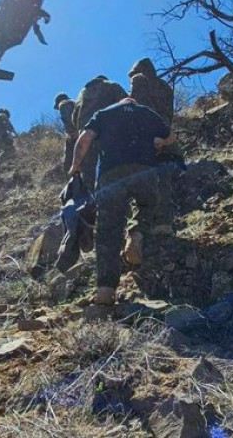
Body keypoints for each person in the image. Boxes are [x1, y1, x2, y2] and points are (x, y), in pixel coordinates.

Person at [69, 97, 176, 306]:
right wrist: (160, 142)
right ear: (133, 102)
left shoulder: (104, 113)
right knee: (148, 207)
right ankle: (136, 232)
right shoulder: (145, 111)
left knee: (108, 229)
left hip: (111, 174)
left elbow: (84, 138)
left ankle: (105, 289)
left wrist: (74, 165)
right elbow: (171, 136)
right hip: (144, 170)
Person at [128, 58, 179, 234]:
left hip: (148, 139)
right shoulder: (165, 86)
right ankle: (164, 224)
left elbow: (140, 109)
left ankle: (142, 229)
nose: (131, 78)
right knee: (164, 181)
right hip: (166, 138)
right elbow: (168, 116)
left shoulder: (139, 80)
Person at [71, 76, 128, 191]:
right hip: (109, 135)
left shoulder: (82, 94)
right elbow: (128, 103)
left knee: (89, 175)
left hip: (86, 136)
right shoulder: (111, 85)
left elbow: (74, 118)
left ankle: (94, 203)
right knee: (114, 172)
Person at [54, 92, 77, 171]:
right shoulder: (76, 103)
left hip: (75, 135)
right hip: (85, 132)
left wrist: (72, 132)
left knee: (68, 164)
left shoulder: (63, 104)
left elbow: (67, 117)